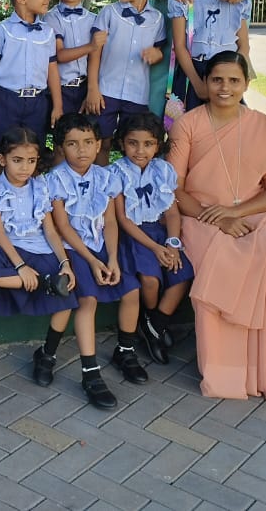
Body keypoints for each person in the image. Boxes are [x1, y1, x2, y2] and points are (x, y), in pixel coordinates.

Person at [169, 51, 266, 402]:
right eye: (217, 80)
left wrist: (235, 213)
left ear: (245, 84)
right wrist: (218, 217)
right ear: (205, 83)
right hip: (200, 215)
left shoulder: (264, 128)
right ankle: (228, 373)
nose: (224, 87)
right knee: (220, 262)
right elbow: (174, 188)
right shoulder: (188, 125)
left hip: (253, 213)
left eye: (233, 81)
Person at [47, 114, 145, 408]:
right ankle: (90, 372)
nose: (82, 150)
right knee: (87, 301)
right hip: (73, 250)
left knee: (131, 290)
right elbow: (63, 227)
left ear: (99, 144)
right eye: (73, 144)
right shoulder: (55, 180)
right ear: (61, 147)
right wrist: (91, 261)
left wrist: (112, 258)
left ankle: (125, 351)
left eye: (89, 142)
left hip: (102, 246)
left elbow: (111, 221)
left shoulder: (106, 177)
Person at [0, 127, 77, 388]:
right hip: (6, 248)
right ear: (2, 159)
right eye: (17, 160)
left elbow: (50, 230)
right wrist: (21, 267)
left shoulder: (40, 186)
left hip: (39, 247)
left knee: (66, 296)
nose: (25, 167)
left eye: (31, 161)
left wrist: (64, 263)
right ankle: (44, 283)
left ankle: (47, 355)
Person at [111, 111, 193, 366]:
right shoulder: (116, 172)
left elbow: (172, 213)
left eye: (148, 144)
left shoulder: (163, 170)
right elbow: (123, 219)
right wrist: (156, 248)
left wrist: (172, 244)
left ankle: (154, 325)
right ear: (122, 143)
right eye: (133, 143)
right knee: (149, 280)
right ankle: (150, 320)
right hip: (134, 236)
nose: (140, 150)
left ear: (158, 145)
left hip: (161, 234)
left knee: (181, 274)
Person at [94, 0, 166, 165]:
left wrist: (157, 54)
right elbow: (95, 52)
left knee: (133, 143)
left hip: (137, 93)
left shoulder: (157, 19)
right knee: (102, 141)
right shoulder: (109, 13)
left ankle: (129, 182)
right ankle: (102, 182)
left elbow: (159, 50)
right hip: (106, 90)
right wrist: (92, 89)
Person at [0, 0, 62, 153]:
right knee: (1, 149)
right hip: (6, 100)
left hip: (38, 102)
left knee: (34, 150)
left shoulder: (48, 32)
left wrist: (57, 105)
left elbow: (52, 70)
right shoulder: (2, 31)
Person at [168, 0, 252, 111]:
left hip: (226, 76)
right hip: (192, 74)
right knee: (187, 122)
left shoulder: (238, 2)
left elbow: (244, 45)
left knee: (226, 123)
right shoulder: (184, 0)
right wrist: (198, 84)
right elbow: (180, 46)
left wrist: (238, 74)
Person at [44, 0, 103, 123]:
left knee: (89, 132)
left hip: (87, 87)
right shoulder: (51, 18)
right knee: (63, 134)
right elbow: (59, 55)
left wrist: (92, 89)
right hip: (61, 90)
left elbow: (97, 58)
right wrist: (91, 46)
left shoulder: (94, 19)